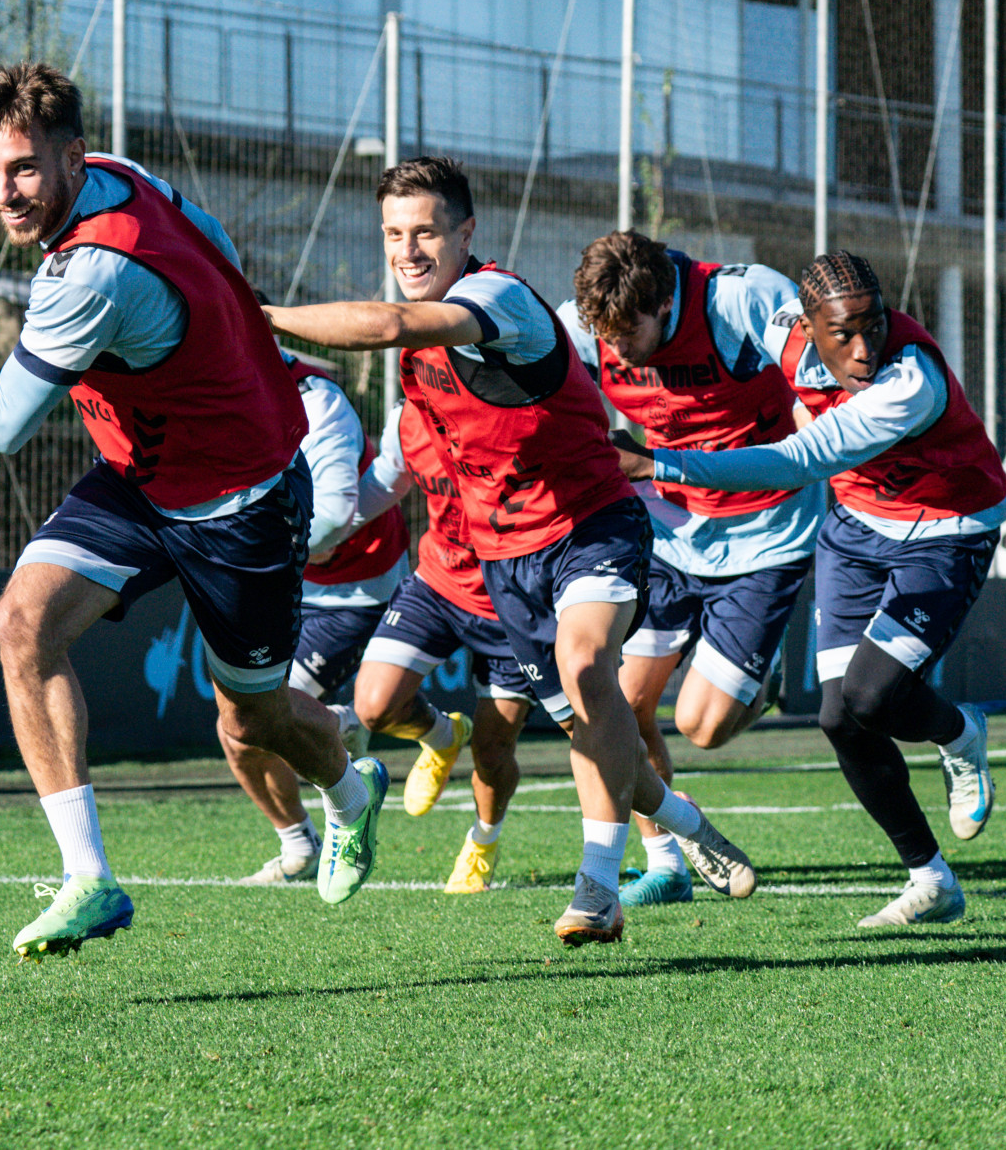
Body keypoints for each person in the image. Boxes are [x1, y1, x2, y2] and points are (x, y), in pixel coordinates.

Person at [0, 62, 389, 958]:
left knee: (255, 720)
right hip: (141, 476)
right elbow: (212, 240)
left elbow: (4, 424)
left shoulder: (87, 275)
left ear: (70, 158)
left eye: (22, 169)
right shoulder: (120, 175)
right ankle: (89, 878)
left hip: (242, 500)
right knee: (21, 622)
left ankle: (352, 792)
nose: (4, 193)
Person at [265, 156, 756, 945]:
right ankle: (687, 823)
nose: (409, 249)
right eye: (394, 233)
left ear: (466, 232)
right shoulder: (416, 365)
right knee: (587, 728)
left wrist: (262, 316)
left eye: (426, 230)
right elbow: (392, 472)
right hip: (503, 563)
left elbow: (391, 321)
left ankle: (598, 891)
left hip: (591, 525)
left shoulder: (494, 299)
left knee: (588, 669)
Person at [617, 250, 1005, 929]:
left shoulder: (907, 381)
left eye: (874, 324)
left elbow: (797, 458)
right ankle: (930, 877)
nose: (864, 347)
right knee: (837, 718)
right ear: (808, 328)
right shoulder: (786, 337)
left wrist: (657, 459)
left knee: (871, 695)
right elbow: (742, 318)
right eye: (844, 332)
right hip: (856, 528)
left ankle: (959, 732)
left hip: (948, 529)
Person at [561, 232, 822, 910]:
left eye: (629, 332)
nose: (615, 349)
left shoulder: (741, 296)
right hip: (671, 530)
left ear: (666, 301)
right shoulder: (585, 328)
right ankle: (666, 859)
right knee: (625, 703)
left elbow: (822, 379)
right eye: (603, 334)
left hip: (767, 528)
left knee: (701, 726)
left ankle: (753, 684)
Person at [347, 395, 550, 893]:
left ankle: (483, 840)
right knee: (373, 706)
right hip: (439, 582)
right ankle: (440, 736)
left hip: (516, 599)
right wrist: (313, 530)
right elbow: (379, 487)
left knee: (493, 748)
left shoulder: (519, 412)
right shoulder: (407, 418)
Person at [226, 345, 411, 887]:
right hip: (281, 580)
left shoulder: (317, 399)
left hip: (352, 586)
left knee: (262, 718)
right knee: (237, 729)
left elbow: (332, 515)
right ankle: (299, 843)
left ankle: (345, 728)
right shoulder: (209, 387)